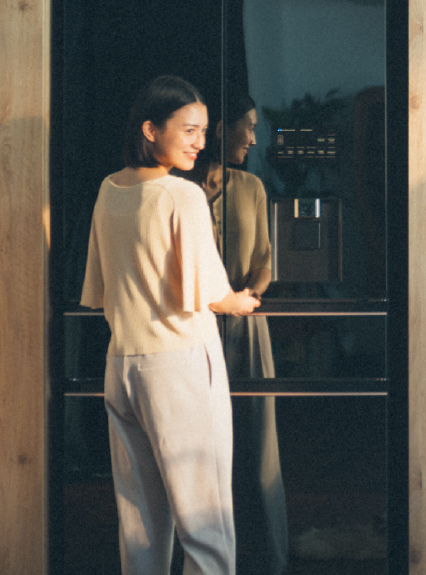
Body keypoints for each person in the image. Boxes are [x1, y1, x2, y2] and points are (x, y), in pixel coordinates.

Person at [82, 75, 261, 575]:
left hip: (121, 366)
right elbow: (211, 292)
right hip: (179, 365)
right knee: (206, 522)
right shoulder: (181, 195)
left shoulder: (108, 189)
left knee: (141, 526)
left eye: (204, 131)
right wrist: (239, 301)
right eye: (189, 130)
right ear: (150, 130)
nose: (200, 142)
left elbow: (98, 287)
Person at [182, 93, 288, 575]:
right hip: (190, 328)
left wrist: (244, 296)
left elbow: (266, 260)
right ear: (220, 128)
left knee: (259, 440)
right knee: (194, 444)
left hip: (247, 324)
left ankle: (271, 556)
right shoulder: (179, 189)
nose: (253, 136)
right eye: (247, 126)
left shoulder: (253, 187)